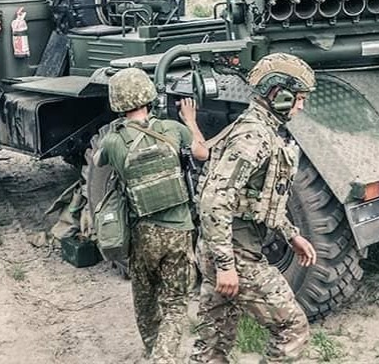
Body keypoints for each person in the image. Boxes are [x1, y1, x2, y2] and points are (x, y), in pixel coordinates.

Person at [190, 52, 318, 364]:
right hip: (236, 253)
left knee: (213, 341)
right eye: (298, 99)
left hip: (223, 247)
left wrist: (291, 234)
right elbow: (214, 199)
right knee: (291, 327)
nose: (301, 106)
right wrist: (226, 266)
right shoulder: (254, 137)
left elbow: (257, 199)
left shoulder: (260, 129)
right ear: (279, 95)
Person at [96, 67, 208, 364]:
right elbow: (201, 153)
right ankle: (164, 357)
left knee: (145, 301)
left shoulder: (113, 140)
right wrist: (191, 122)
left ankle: (152, 351)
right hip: (179, 231)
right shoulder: (173, 129)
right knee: (175, 305)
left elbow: (98, 161)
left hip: (143, 233)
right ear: (148, 95)